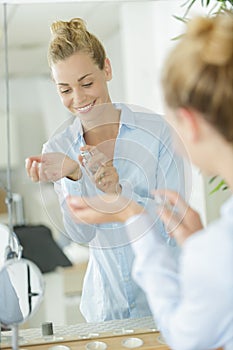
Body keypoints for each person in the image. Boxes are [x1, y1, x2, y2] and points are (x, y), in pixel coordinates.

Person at [66, 13, 233, 350]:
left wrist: (131, 213)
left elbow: (186, 338)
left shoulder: (221, 248)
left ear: (188, 121)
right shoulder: (218, 244)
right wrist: (198, 246)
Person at [25, 18, 184, 322]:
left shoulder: (156, 131)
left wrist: (118, 194)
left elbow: (174, 221)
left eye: (86, 83)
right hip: (105, 307)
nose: (79, 98)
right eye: (65, 89)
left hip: (162, 302)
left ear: (107, 70)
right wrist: (73, 177)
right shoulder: (58, 147)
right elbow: (79, 233)